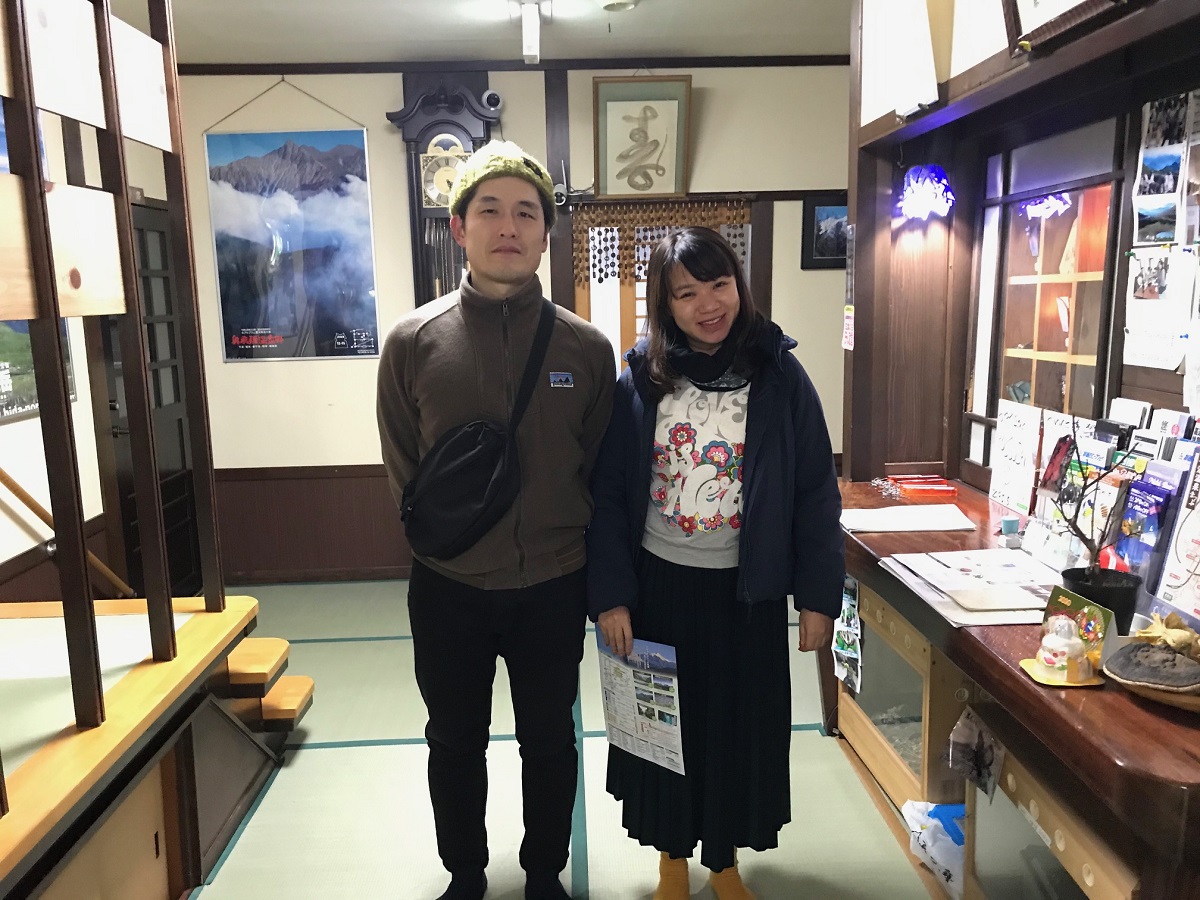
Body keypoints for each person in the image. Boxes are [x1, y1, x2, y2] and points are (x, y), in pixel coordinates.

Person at [377, 140, 616, 900]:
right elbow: (404, 466)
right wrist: (447, 544)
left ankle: (544, 870)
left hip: (554, 583)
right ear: (459, 228)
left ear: (546, 234)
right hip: (447, 586)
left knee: (549, 739)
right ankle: (466, 873)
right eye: (489, 210)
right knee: (453, 740)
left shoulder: (586, 348)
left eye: (525, 213)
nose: (507, 226)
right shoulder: (413, 341)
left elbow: (596, 465)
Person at [586, 226, 844, 900]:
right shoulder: (641, 379)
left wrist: (818, 598)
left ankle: (724, 862)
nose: (708, 304)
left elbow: (816, 491)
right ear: (665, 305)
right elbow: (609, 495)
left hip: (747, 594)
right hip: (658, 588)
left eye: (719, 284)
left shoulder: (780, 375)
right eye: (686, 293)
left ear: (739, 285)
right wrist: (610, 597)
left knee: (737, 732)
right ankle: (671, 860)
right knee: (662, 730)